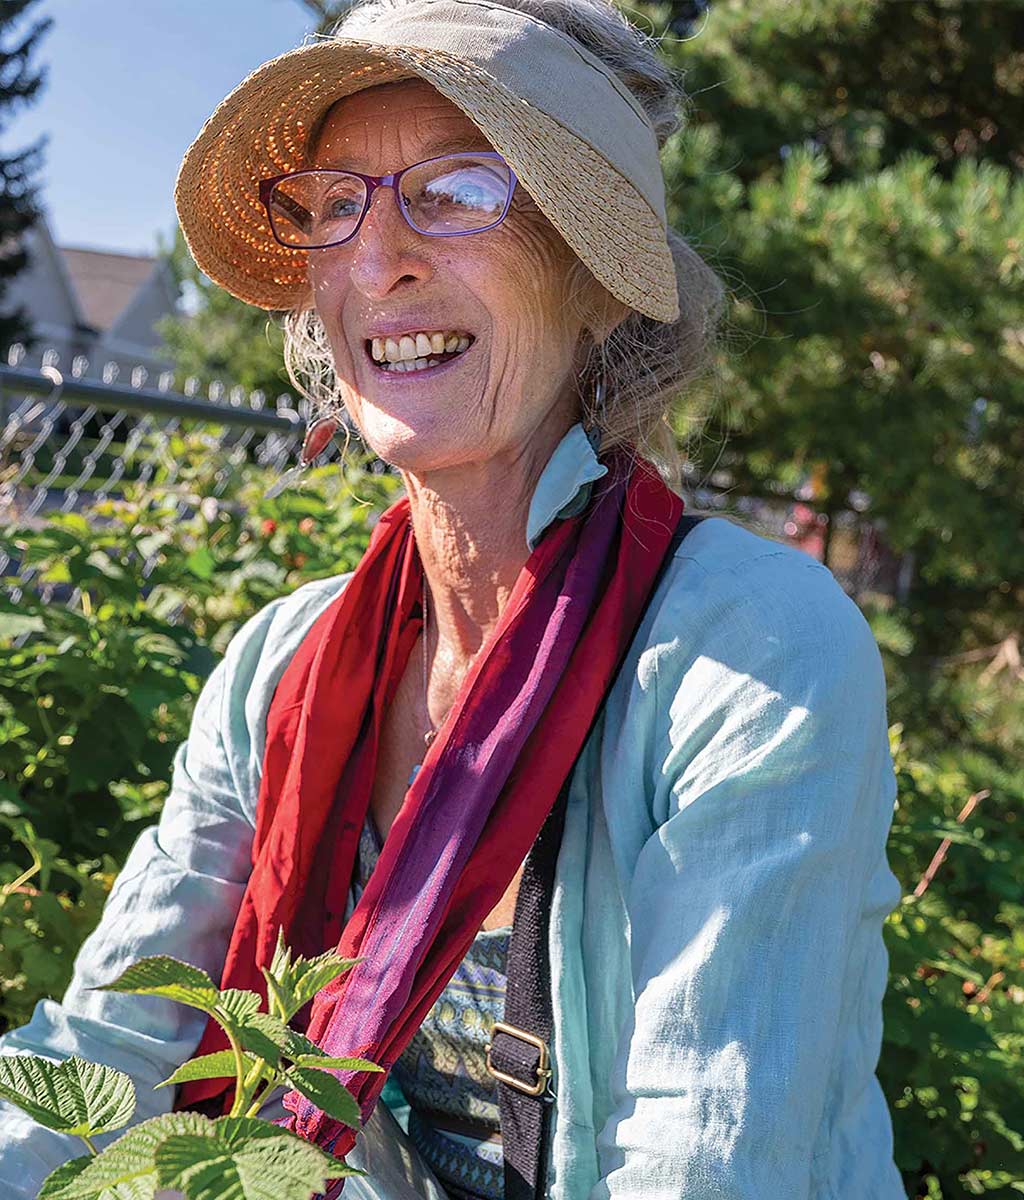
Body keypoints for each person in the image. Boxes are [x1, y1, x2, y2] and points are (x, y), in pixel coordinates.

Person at [0, 1, 909, 1197]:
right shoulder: (284, 665)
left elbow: (703, 1161)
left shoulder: (746, 653)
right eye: (334, 204)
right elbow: (111, 1053)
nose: (380, 258)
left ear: (596, 274)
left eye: (460, 187)